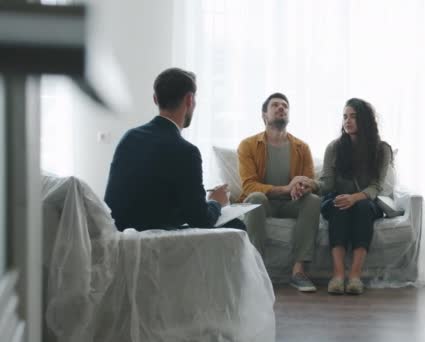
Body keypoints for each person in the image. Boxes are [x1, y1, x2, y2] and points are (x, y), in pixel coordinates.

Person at [104, 67, 244, 231]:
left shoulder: (129, 138)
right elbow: (201, 220)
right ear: (189, 100)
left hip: (118, 235)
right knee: (237, 226)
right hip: (156, 240)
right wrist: (216, 201)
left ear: (155, 99)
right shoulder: (187, 152)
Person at [238, 92, 321, 292]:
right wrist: (285, 188)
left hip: (291, 203)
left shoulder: (302, 147)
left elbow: (311, 181)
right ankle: (257, 270)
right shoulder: (248, 145)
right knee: (256, 197)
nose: (281, 108)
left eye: (285, 106)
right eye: (275, 105)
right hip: (264, 202)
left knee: (313, 200)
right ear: (264, 115)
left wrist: (302, 187)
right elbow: (249, 186)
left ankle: (298, 271)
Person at [317, 98, 393, 295]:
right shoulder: (334, 148)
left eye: (353, 117)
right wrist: (310, 184)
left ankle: (355, 276)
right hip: (338, 197)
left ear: (366, 121)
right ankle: (338, 275)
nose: (347, 121)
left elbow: (376, 186)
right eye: (344, 117)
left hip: (365, 201)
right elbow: (327, 184)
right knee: (338, 205)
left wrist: (355, 198)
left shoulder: (381, 149)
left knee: (362, 208)